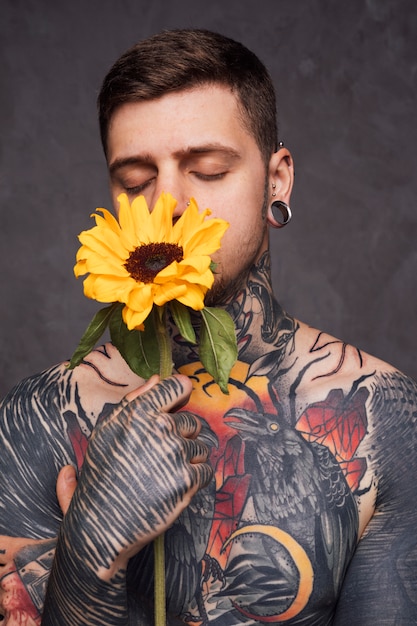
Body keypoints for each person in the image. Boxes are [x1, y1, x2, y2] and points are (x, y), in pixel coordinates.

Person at [0, 28, 416, 626]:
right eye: (136, 181)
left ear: (277, 179)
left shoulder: (384, 422)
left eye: (209, 169)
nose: (168, 203)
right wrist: (87, 558)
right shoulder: (36, 420)